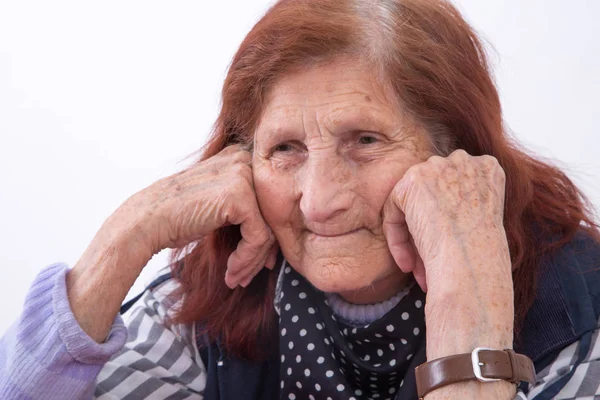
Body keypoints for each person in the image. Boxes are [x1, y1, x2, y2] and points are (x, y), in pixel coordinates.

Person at [1, 0, 599, 399]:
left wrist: (467, 302)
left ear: (458, 157)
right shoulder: (214, 302)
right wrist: (127, 234)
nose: (318, 203)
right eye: (285, 149)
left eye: (364, 141)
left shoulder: (578, 308)